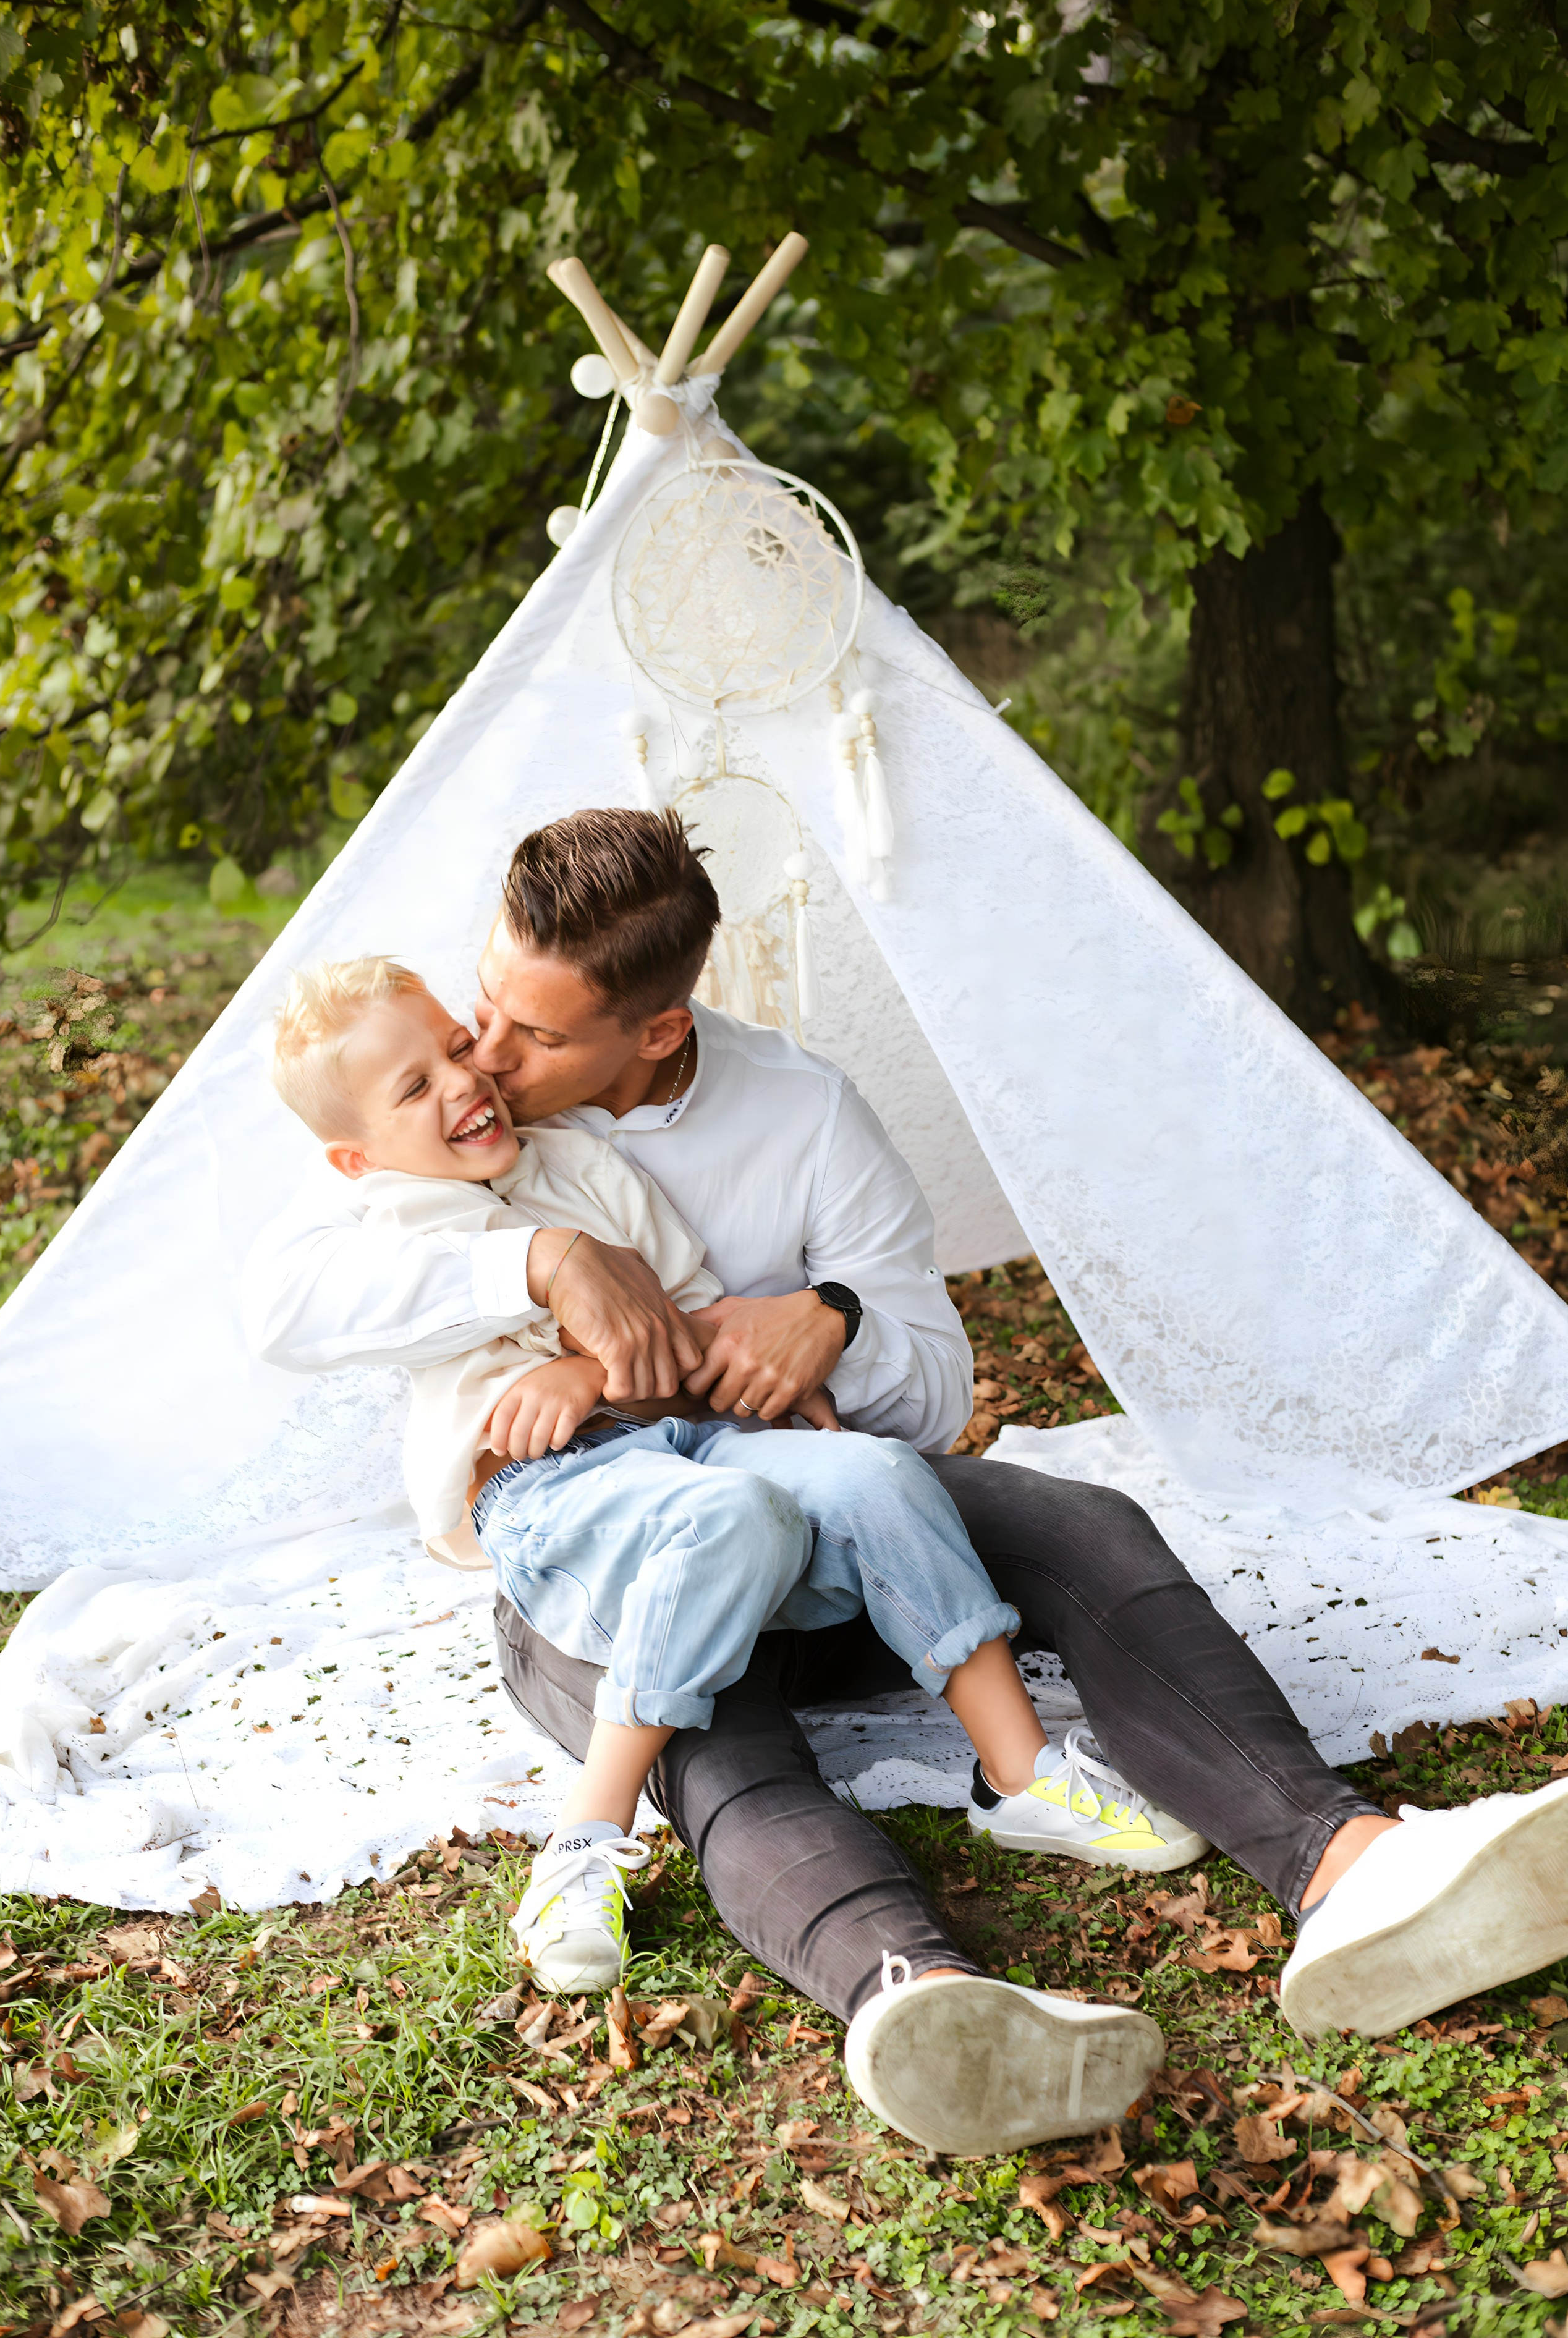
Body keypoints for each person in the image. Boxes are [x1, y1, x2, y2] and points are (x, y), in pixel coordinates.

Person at [246, 808, 1568, 2159]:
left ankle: (1346, 1864)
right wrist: (544, 1272)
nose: (487, 1057)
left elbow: (931, 1386)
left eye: (530, 1036)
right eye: (483, 1011)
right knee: (717, 1724)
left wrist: (830, 1317)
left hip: (820, 1511)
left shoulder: (798, 1109)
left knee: (1081, 1525)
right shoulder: (422, 1143)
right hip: (611, 1550)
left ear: (650, 1030)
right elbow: (282, 1304)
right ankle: (919, 1995)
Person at [259, 951, 1200, 2039]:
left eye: (455, 1048)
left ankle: (1021, 1771)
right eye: (413, 1089)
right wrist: (551, 1316)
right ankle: (586, 1839)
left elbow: (690, 1313)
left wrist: (606, 1370)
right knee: (729, 1520)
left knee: (872, 1473)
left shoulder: (583, 1165)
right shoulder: (378, 1226)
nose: (462, 1083)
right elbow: (305, 1319)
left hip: (690, 1433)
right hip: (552, 1486)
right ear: (355, 1153)